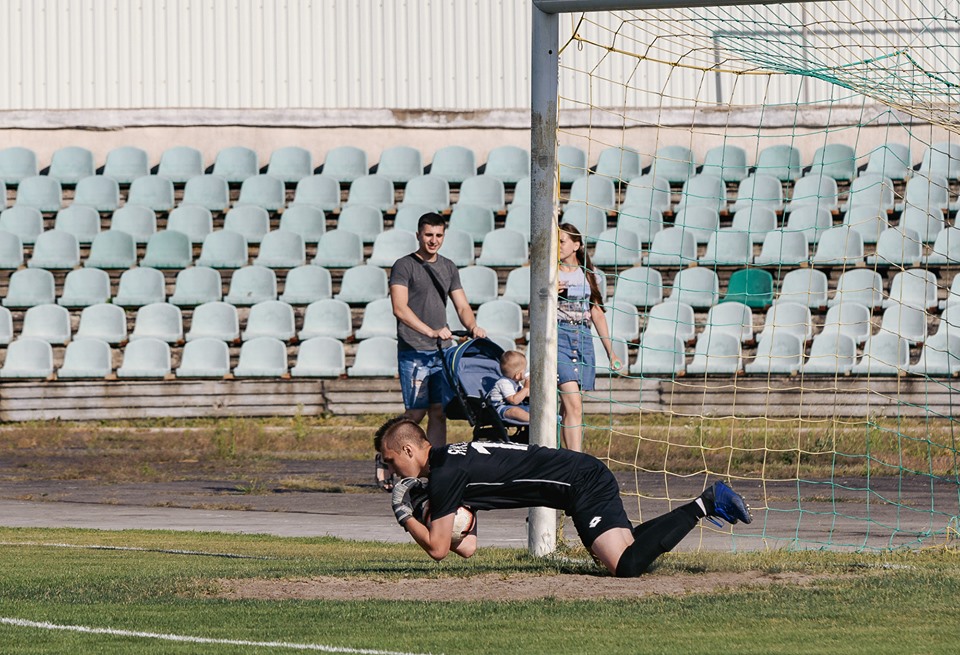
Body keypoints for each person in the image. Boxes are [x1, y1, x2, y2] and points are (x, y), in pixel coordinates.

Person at [375, 417, 753, 577]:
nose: (392, 471)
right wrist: (434, 512)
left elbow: (439, 550)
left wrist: (404, 513)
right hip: (582, 473)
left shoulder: (445, 475)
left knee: (626, 566)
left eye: (391, 461)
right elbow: (468, 546)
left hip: (579, 483)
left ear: (409, 451)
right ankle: (706, 503)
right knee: (631, 552)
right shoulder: (452, 461)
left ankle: (706, 502)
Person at [389, 212, 487, 450]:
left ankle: (434, 464)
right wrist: (430, 331)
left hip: (442, 352)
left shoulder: (448, 267)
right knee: (415, 412)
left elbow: (462, 305)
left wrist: (472, 326)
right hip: (415, 350)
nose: (433, 240)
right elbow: (399, 308)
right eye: (428, 235)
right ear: (418, 235)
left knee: (438, 410)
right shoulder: (404, 265)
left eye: (438, 235)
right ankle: (388, 453)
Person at [557, 223, 622, 452]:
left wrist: (610, 351)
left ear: (576, 245)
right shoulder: (548, 273)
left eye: (562, 241)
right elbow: (533, 311)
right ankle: (575, 460)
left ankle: (566, 458)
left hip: (582, 337)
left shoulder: (590, 275)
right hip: (559, 337)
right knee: (573, 404)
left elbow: (597, 312)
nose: (557, 246)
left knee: (570, 408)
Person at [487, 350, 530, 424]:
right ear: (517, 375)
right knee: (515, 411)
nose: (526, 371)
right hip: (501, 408)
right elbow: (514, 400)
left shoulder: (516, 382)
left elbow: (524, 395)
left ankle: (539, 416)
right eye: (524, 370)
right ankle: (533, 419)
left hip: (514, 405)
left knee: (532, 406)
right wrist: (526, 388)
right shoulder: (504, 383)